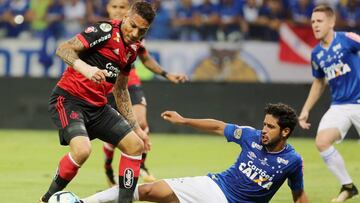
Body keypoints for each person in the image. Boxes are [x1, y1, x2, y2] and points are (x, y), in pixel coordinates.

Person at [39, 2, 156, 203]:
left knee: (136, 146)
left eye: (142, 30)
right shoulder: (105, 30)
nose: (136, 33)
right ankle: (46, 199)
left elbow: (120, 90)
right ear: (126, 16)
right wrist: (86, 69)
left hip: (98, 107)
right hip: (69, 99)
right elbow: (63, 48)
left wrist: (136, 128)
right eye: (133, 26)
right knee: (82, 150)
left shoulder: (132, 49)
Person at [82, 103, 308, 203]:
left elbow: (299, 197)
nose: (264, 130)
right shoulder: (251, 136)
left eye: (270, 127)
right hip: (213, 185)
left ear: (285, 131)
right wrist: (183, 120)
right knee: (149, 189)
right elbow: (219, 126)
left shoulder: (292, 161)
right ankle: (81, 202)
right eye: (264, 124)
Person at [100, 0, 188, 187]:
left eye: (122, 7)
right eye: (114, 7)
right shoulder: (102, 31)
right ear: (108, 9)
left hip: (129, 82)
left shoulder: (136, 32)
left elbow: (145, 57)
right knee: (113, 132)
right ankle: (108, 167)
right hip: (108, 86)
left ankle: (142, 164)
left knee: (140, 123)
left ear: (128, 12)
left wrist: (166, 74)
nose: (117, 10)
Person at [298, 4, 360, 203]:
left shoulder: (347, 39)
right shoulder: (317, 54)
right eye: (313, 22)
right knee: (322, 141)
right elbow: (319, 83)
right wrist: (306, 109)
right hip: (340, 106)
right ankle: (348, 187)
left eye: (319, 21)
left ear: (332, 22)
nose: (315, 25)